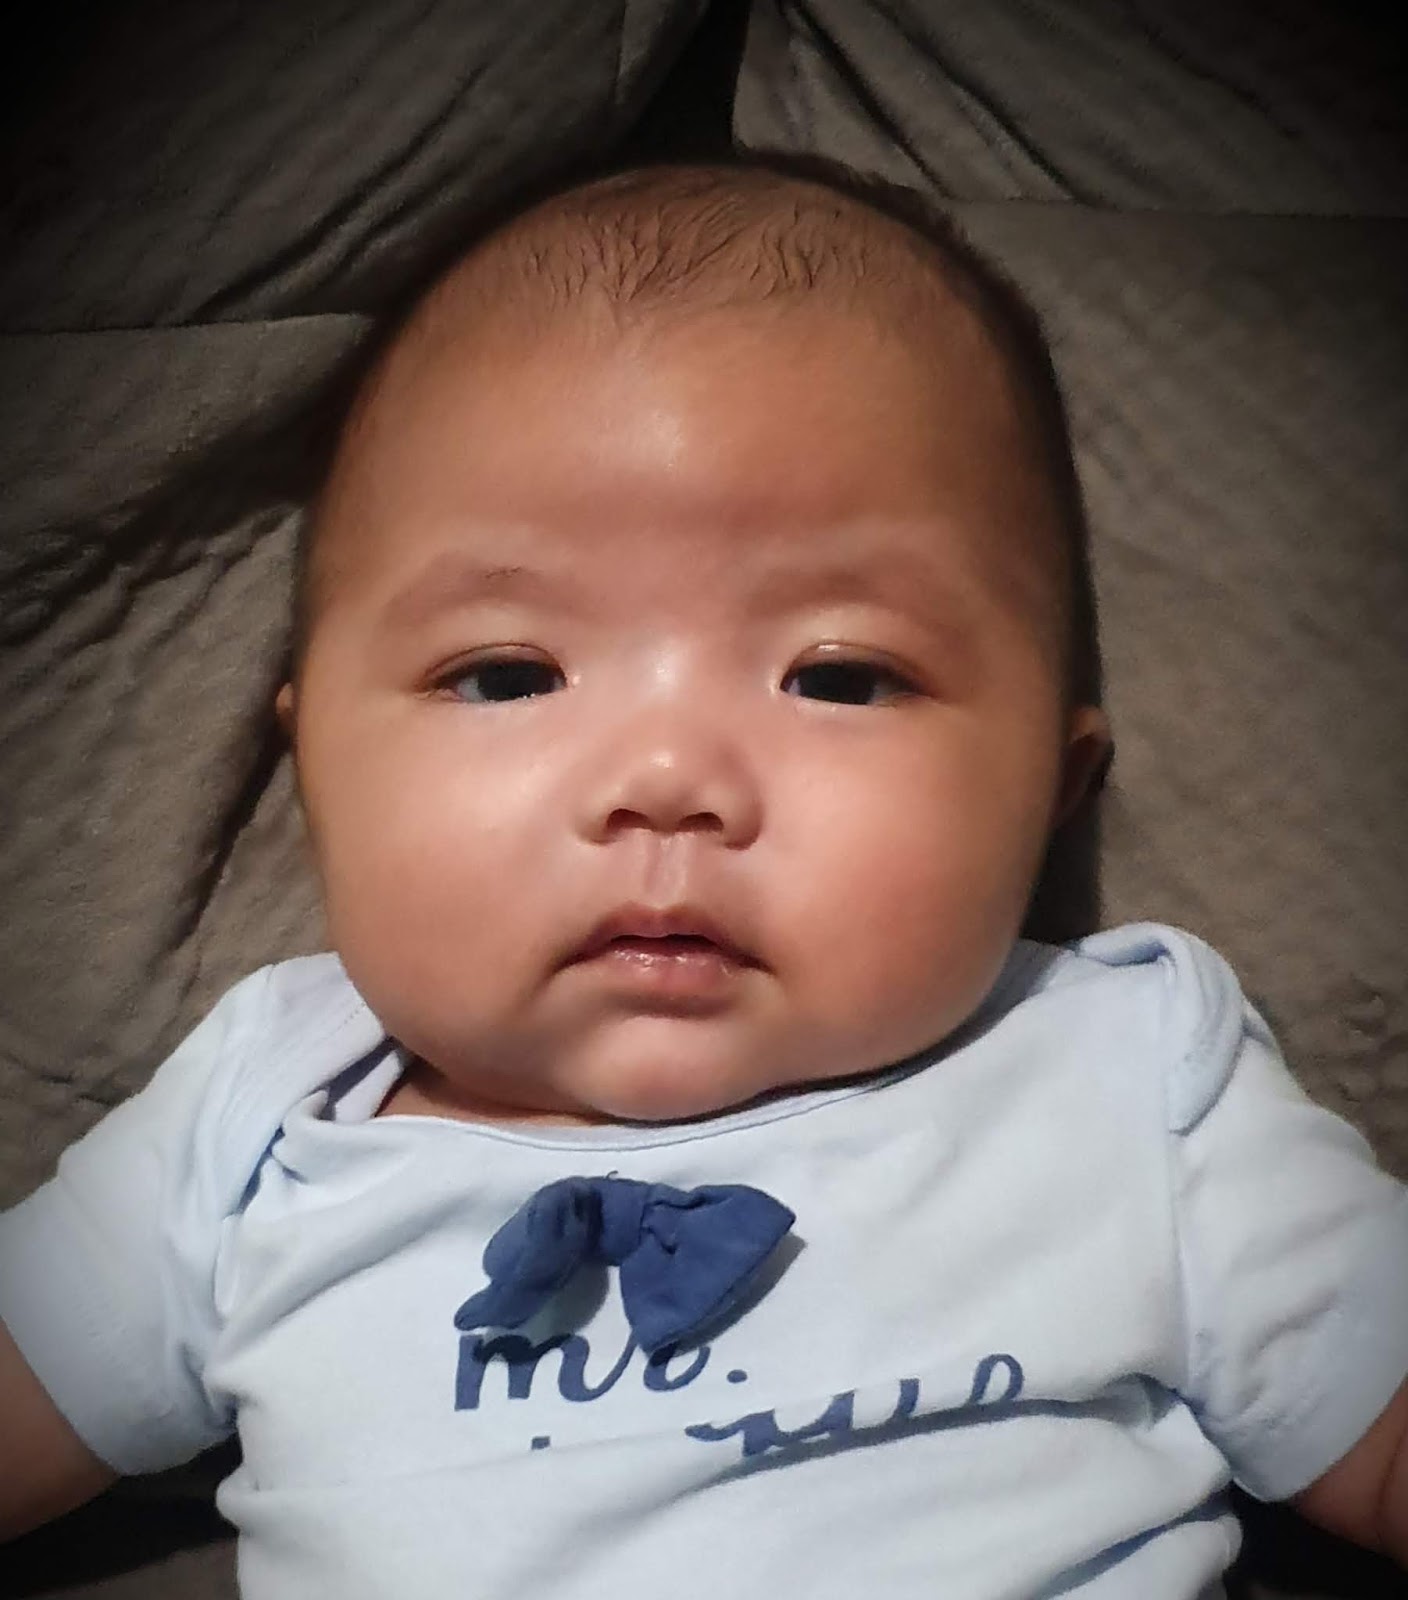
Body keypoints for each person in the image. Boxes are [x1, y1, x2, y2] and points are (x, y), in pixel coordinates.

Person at [1, 158, 1405, 1599]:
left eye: (840, 676)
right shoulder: (259, 1114)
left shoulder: (1126, 1070)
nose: (667, 776)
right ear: (313, 770)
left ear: (1057, 788)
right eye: (507, 674)